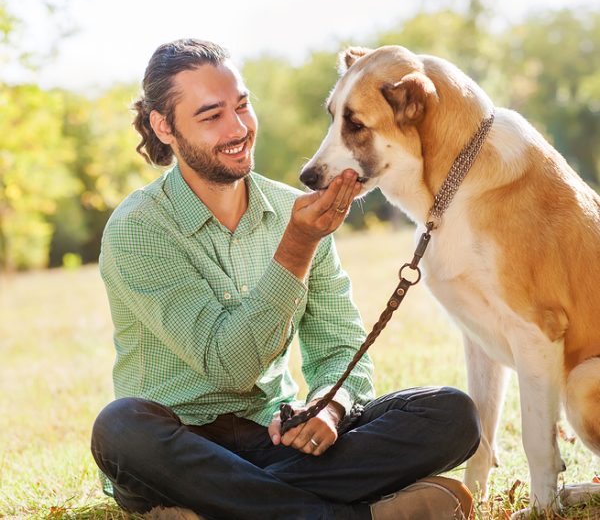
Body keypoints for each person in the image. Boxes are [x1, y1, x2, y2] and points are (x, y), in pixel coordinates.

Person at [91, 38, 481, 520]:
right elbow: (227, 366)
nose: (238, 129)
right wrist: (296, 246)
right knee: (121, 428)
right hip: (179, 448)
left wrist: (328, 406)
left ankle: (219, 508)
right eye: (211, 116)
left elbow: (340, 347)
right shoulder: (140, 228)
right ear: (163, 127)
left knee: (450, 415)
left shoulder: (292, 209)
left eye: (242, 106)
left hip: (276, 440)